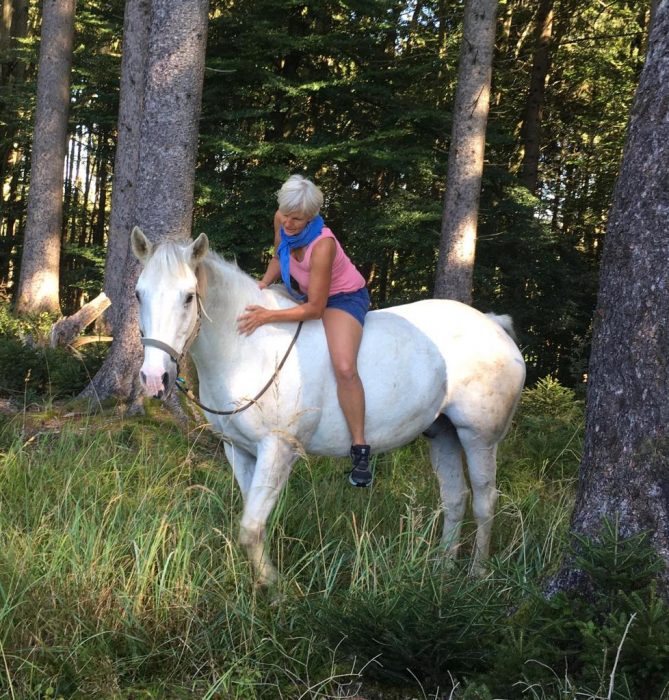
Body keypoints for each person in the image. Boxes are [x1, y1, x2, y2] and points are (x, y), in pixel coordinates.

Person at [237, 175, 373, 487]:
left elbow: (315, 309)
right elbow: (279, 256)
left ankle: (360, 448)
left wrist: (268, 315)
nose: (289, 223)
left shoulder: (322, 244)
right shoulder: (282, 219)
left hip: (340, 299)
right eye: (285, 215)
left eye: (297, 219)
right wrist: (260, 285)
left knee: (344, 365)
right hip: (299, 292)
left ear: (311, 217)